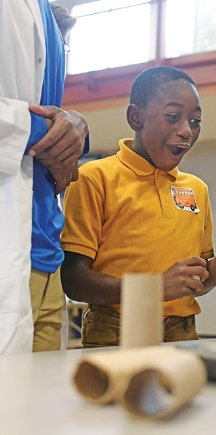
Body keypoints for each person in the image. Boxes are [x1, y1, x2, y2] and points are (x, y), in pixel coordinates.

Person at [60, 66, 216, 347]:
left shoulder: (196, 188)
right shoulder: (94, 177)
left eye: (195, 120)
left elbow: (196, 283)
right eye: (173, 117)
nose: (186, 130)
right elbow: (74, 280)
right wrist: (154, 287)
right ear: (135, 117)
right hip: (116, 329)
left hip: (183, 332)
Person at [0, 0, 88, 354]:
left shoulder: (42, 20)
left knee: (41, 399)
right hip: (14, 249)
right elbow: (41, 124)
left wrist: (75, 129)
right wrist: (47, 131)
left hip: (45, 253)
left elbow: (53, 121)